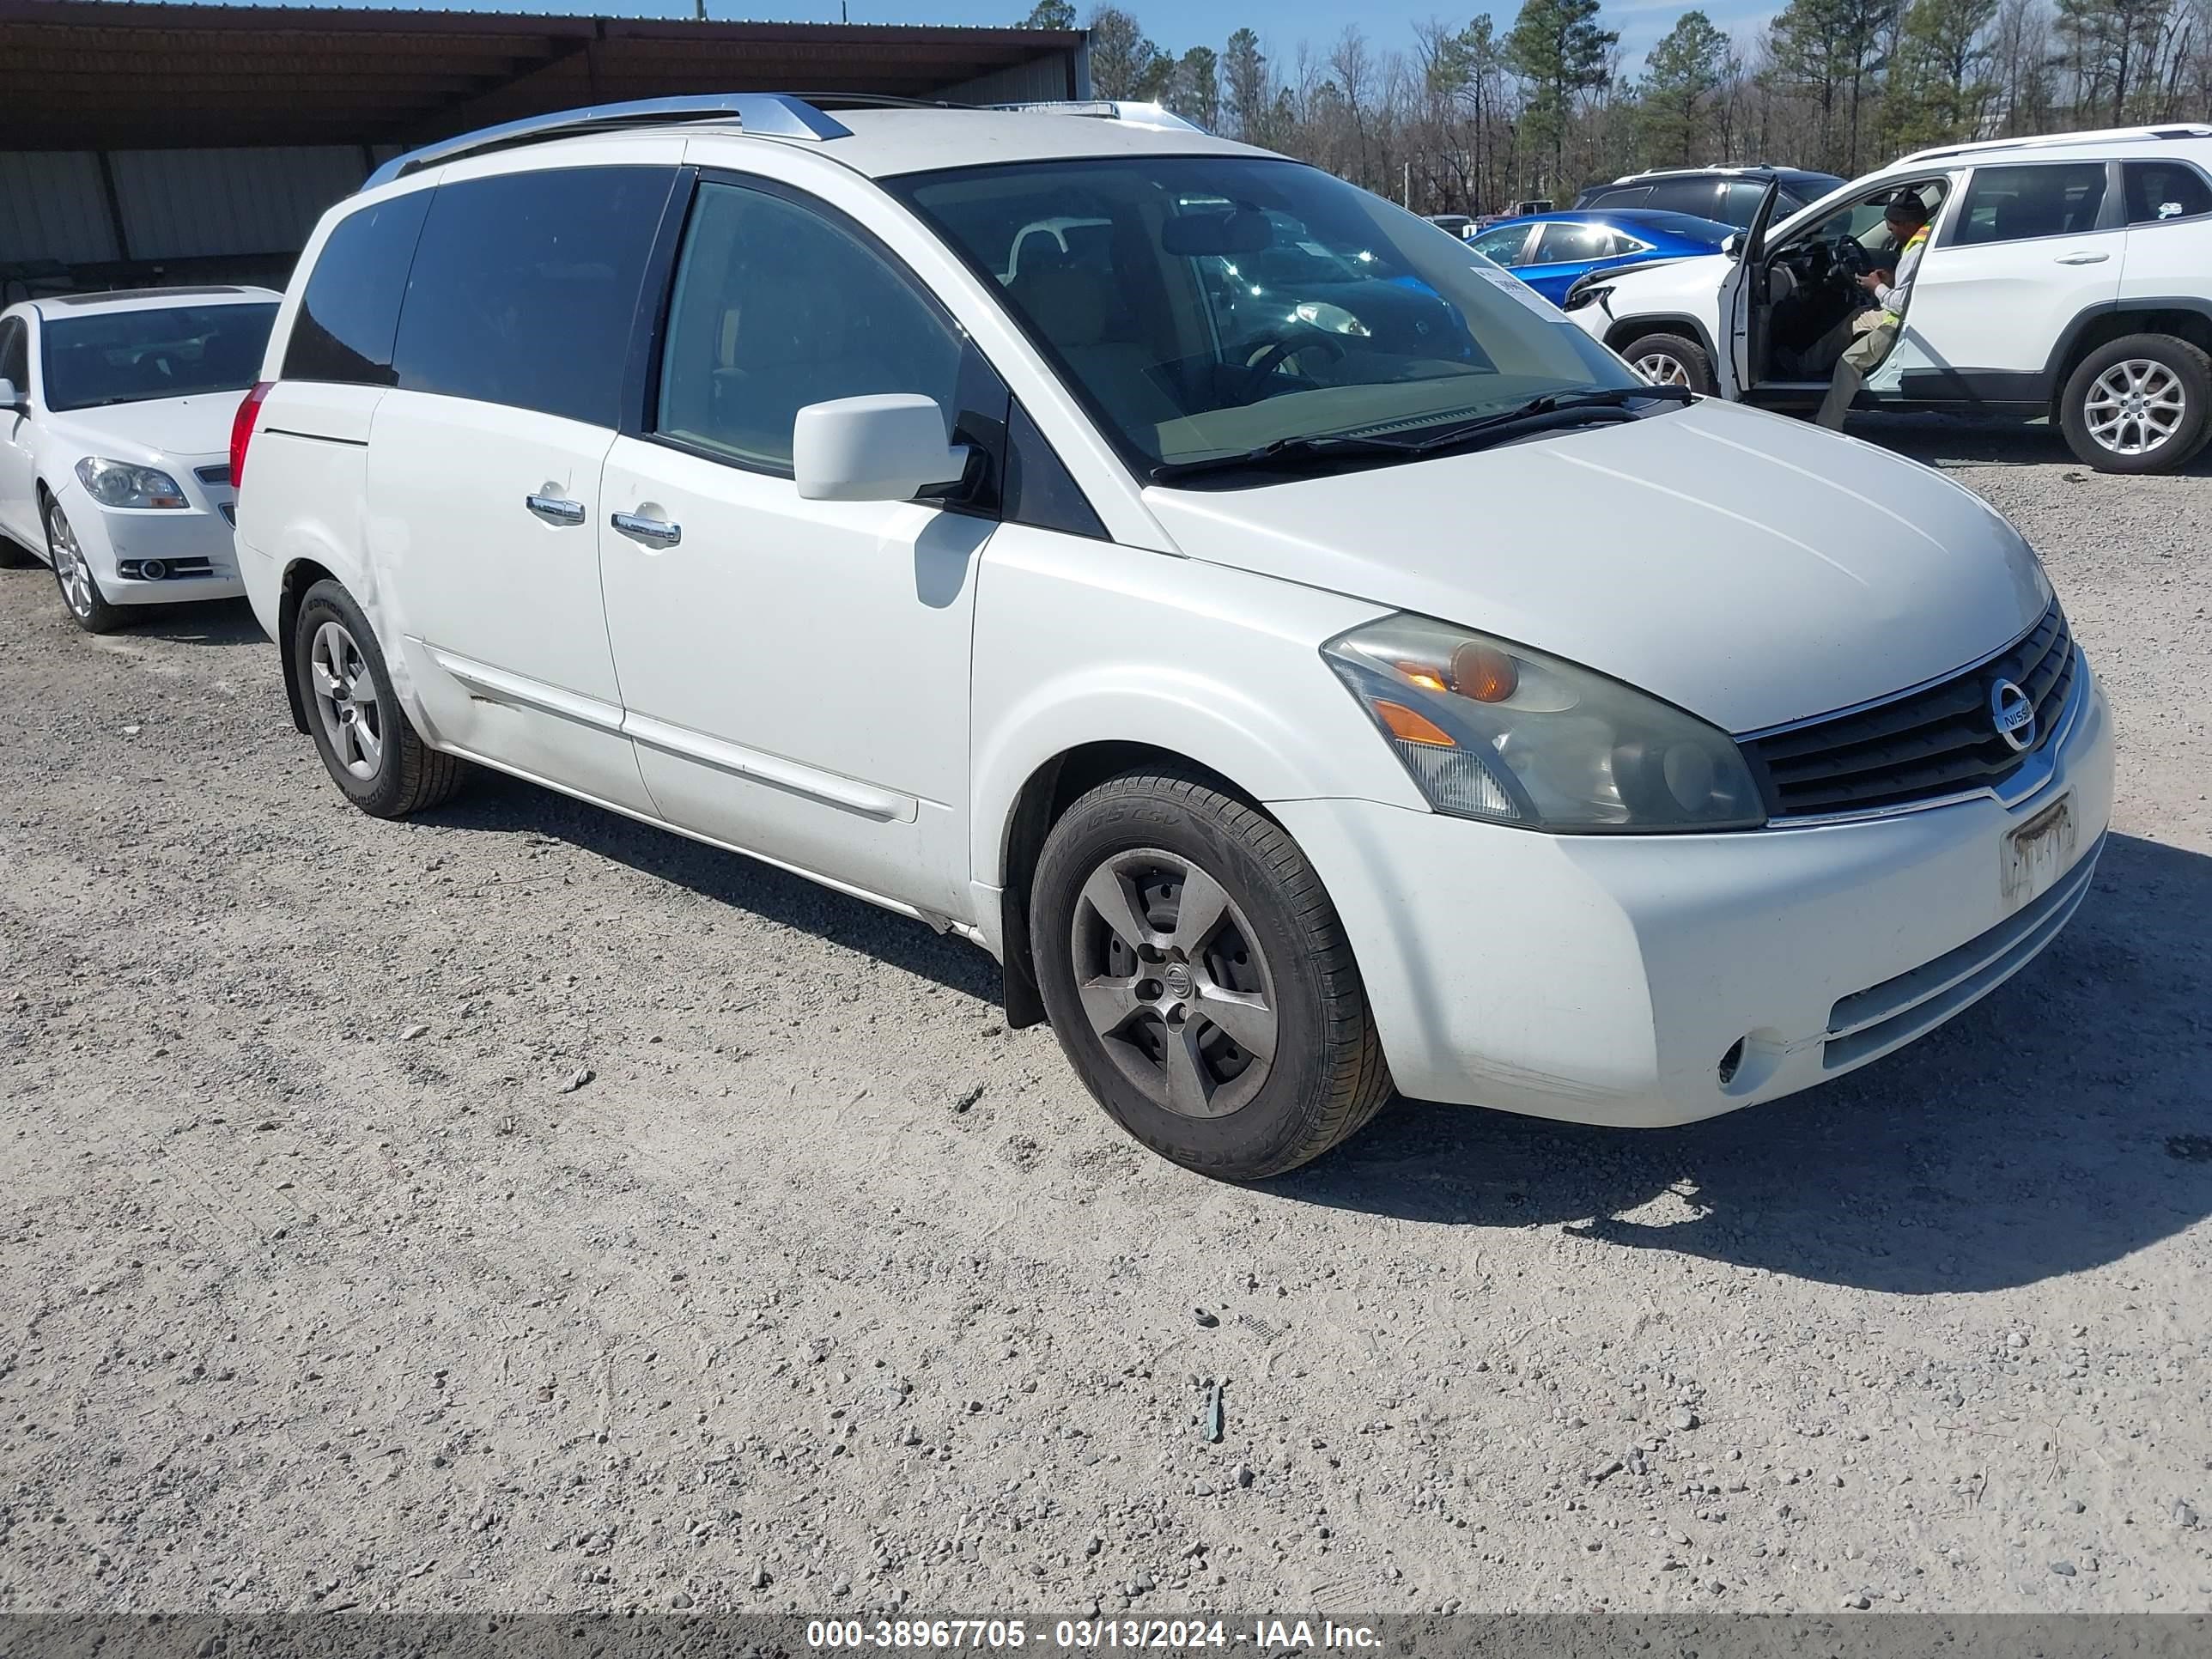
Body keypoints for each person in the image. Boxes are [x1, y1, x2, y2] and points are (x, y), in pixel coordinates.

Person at [1815, 191, 1931, 429]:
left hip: (1899, 324)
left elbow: (1901, 305)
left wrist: (1877, 287)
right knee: (1854, 319)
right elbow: (1907, 291)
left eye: (1891, 229)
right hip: (1896, 314)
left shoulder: (1915, 251)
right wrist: (1889, 282)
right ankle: (1805, 366)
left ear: (1907, 224)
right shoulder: (1923, 236)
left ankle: (1828, 425)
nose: (1891, 233)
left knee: (1849, 361)